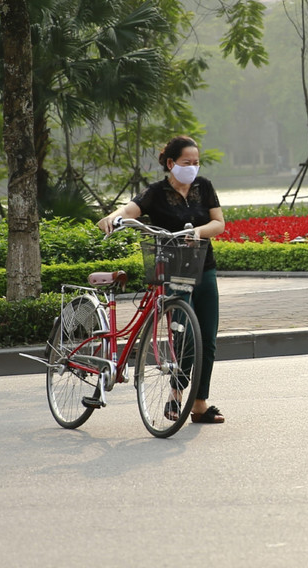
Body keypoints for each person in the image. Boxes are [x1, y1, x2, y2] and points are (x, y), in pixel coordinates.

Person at [97, 136, 226, 424]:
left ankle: (200, 404)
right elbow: (129, 210)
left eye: (196, 162)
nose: (192, 167)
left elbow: (219, 223)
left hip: (204, 267)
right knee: (186, 335)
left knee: (208, 337)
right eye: (186, 162)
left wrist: (197, 232)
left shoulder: (204, 187)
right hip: (173, 270)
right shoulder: (156, 192)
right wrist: (112, 217)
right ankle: (176, 395)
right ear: (171, 163)